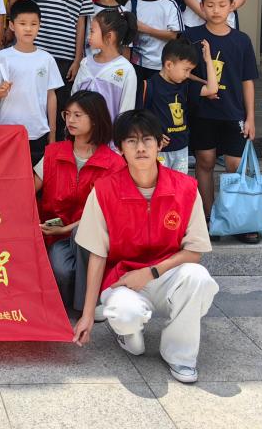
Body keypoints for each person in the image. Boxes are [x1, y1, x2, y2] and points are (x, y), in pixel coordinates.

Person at [73, 110, 219, 385]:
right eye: (131, 141)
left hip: (166, 275)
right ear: (120, 148)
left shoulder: (186, 188)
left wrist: (151, 272)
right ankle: (127, 334)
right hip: (123, 279)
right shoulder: (104, 190)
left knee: (199, 278)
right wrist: (88, 315)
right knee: (126, 319)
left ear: (160, 143)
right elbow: (97, 254)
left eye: (147, 139)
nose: (140, 148)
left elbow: (194, 251)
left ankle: (180, 354)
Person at [185, 0, 259, 242]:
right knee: (204, 162)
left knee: (235, 165)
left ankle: (238, 219)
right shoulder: (191, 36)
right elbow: (183, 72)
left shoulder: (241, 40)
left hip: (233, 113)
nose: (216, 10)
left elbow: (248, 80)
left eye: (221, 5)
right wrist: (203, 88)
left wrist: (250, 117)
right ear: (201, 5)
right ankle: (209, 218)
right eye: (210, 5)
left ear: (232, 6)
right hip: (202, 113)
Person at [36, 90, 122, 309]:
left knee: (83, 236)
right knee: (63, 269)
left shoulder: (114, 164)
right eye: (67, 114)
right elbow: (26, 190)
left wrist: (67, 229)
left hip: (93, 237)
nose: (70, 120)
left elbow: (109, 214)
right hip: (54, 235)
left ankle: (87, 307)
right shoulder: (53, 153)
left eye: (77, 115)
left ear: (95, 119)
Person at [20, 0, 95, 137]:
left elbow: (81, 23)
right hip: (37, 52)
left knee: (62, 102)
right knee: (35, 100)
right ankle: (35, 143)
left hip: (65, 57)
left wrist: (77, 58)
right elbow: (26, 9)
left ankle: (58, 144)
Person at [0, 0, 64, 165]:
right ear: (12, 25)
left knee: (35, 174)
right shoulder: (3, 56)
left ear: (39, 26)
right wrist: (0, 91)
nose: (28, 28)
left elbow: (51, 96)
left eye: (33, 24)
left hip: (37, 130)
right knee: (10, 171)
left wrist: (52, 133)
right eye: (22, 23)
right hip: (8, 128)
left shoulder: (46, 59)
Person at [142, 38, 220, 175]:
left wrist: (208, 60)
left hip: (181, 148)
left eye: (190, 71)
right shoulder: (149, 85)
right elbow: (140, 118)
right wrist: (152, 134)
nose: (187, 75)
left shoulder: (185, 86)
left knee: (180, 185)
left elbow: (212, 88)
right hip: (158, 150)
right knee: (159, 185)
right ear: (169, 65)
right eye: (186, 70)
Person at [73, 9, 138, 125]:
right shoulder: (85, 63)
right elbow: (74, 97)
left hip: (109, 135)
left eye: (92, 31)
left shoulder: (126, 70)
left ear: (109, 36)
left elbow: (126, 110)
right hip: (82, 133)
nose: (88, 36)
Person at [126, 0, 182, 87]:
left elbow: (173, 35)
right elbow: (125, 37)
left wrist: (145, 29)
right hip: (137, 64)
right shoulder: (132, 4)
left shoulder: (170, 5)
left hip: (163, 65)